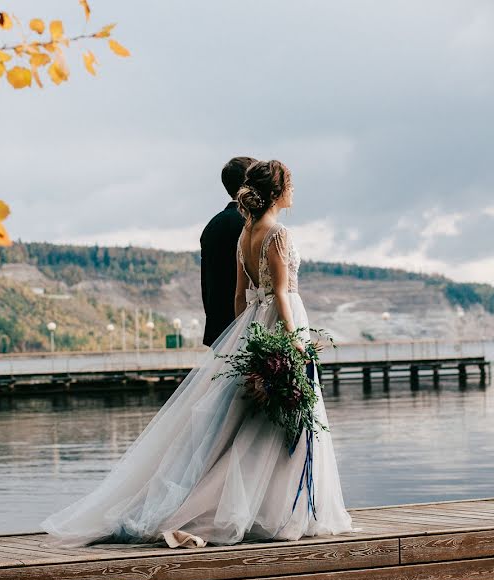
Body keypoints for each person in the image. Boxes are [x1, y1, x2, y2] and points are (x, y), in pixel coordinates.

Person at [42, 160, 353, 548]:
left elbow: (239, 296)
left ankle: (265, 505)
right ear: (276, 193)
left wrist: (248, 340)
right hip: (282, 321)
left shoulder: (244, 235)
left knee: (252, 422)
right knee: (286, 417)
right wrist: (294, 342)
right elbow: (280, 292)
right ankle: (286, 510)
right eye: (290, 185)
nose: (294, 192)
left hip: (251, 327)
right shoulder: (278, 234)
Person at [200, 157, 253, 346]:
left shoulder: (212, 226)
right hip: (248, 325)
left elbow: (207, 282)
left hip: (219, 328)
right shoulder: (252, 225)